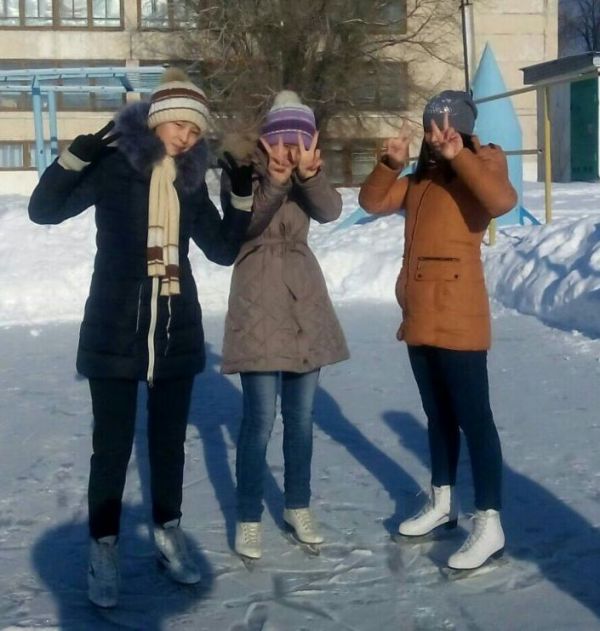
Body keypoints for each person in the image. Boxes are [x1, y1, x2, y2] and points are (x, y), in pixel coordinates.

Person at [28, 69, 253, 607]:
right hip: (114, 324)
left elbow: (223, 250)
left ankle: (167, 533)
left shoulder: (189, 181)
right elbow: (43, 211)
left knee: (168, 445)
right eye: (179, 125)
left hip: (174, 329)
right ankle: (103, 547)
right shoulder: (113, 167)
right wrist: (74, 158)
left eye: (195, 131)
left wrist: (240, 199)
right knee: (111, 447)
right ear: (156, 121)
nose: (186, 138)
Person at [358, 90, 517, 570]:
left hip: (459, 313)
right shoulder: (419, 181)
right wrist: (389, 164)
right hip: (420, 313)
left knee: (475, 418)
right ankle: (442, 501)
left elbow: (501, 201)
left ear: (463, 129)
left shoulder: (483, 164)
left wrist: (458, 155)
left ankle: (489, 522)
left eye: (444, 127)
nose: (434, 136)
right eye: (429, 128)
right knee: (438, 415)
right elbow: (372, 201)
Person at [220, 91, 349, 560]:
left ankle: (298, 505)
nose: (291, 150)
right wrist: (273, 183)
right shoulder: (241, 171)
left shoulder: (307, 173)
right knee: (259, 420)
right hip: (257, 298)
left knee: (301, 419)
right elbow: (244, 227)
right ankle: (248, 516)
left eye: (300, 141)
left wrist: (310, 176)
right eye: (284, 140)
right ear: (268, 139)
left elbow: (331, 211)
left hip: (303, 301)